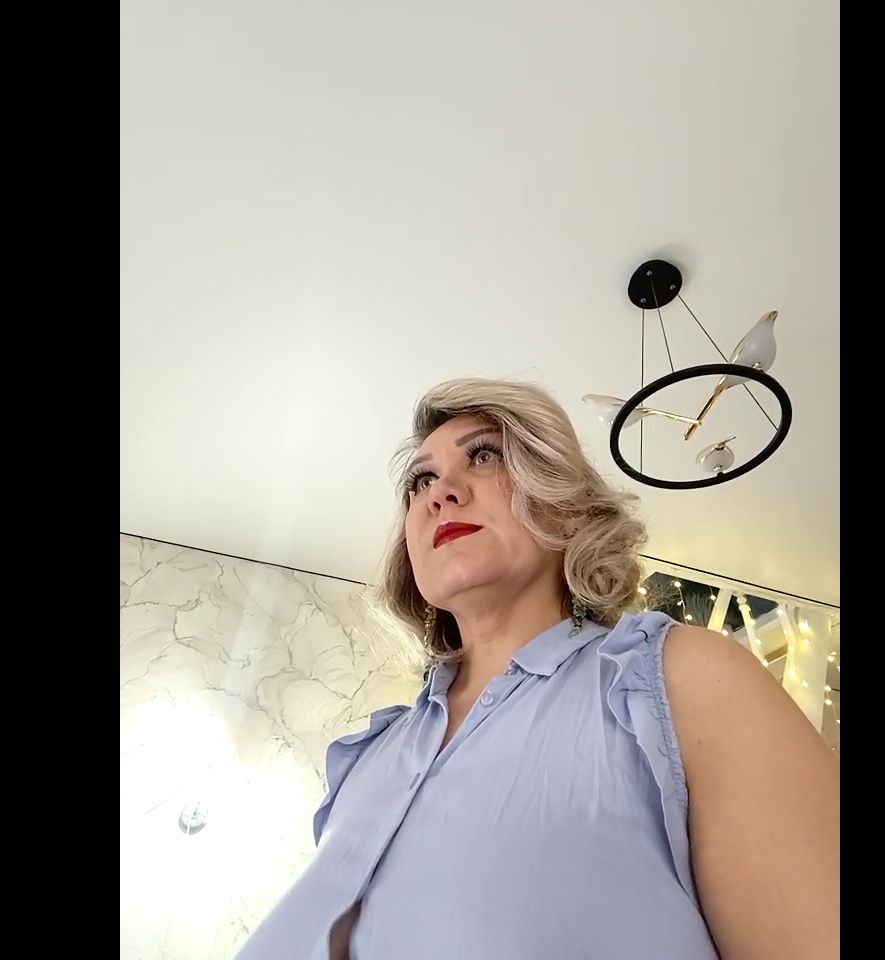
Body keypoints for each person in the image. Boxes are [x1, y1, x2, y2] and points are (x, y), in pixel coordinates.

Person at [236, 378, 840, 960]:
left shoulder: (683, 678)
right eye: (421, 480)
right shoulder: (365, 759)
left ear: (567, 507)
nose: (441, 493)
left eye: (483, 457)